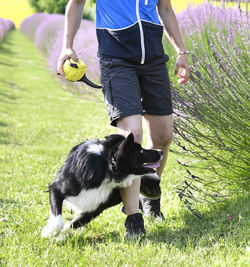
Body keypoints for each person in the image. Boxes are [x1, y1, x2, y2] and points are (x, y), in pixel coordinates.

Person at [57, 0, 190, 240]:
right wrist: (67, 46)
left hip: (153, 59)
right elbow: (76, 3)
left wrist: (181, 51)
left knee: (163, 136)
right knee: (132, 137)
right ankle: (133, 218)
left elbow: (166, 9)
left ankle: (149, 194)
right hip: (116, 59)